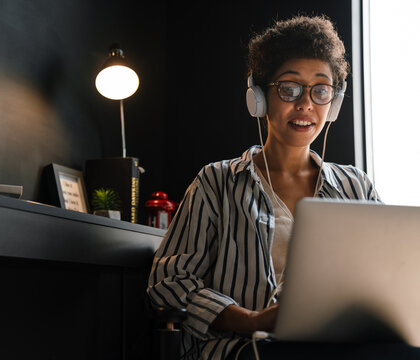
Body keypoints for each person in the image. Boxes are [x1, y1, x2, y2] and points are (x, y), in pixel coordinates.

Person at [147, 15, 419, 360]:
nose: (306, 104)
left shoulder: (356, 187)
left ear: (333, 103)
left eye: (321, 90)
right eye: (289, 88)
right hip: (244, 348)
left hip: (339, 346)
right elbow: (168, 283)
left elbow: (392, 275)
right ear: (258, 96)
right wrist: (251, 319)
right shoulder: (216, 182)